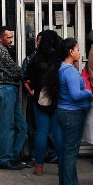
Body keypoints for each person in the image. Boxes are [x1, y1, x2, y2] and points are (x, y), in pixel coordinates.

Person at [55, 38, 92, 185]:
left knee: (65, 151)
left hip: (63, 111)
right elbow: (76, 94)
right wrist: (89, 93)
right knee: (70, 152)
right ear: (70, 52)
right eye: (77, 49)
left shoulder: (62, 69)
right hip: (72, 113)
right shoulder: (69, 71)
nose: (79, 52)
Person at [24, 30, 62, 174]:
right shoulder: (58, 59)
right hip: (56, 98)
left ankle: (39, 167)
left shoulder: (35, 59)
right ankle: (60, 164)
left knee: (41, 132)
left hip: (39, 98)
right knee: (57, 131)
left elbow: (28, 79)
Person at [0, 26, 29, 170]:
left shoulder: (1, 50)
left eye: (12, 37)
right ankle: (5, 159)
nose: (11, 40)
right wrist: (25, 75)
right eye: (9, 37)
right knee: (8, 126)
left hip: (10, 90)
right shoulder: (0, 50)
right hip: (5, 89)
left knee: (22, 126)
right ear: (1, 38)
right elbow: (12, 67)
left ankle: (13, 156)